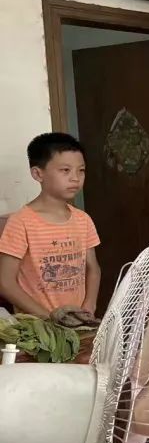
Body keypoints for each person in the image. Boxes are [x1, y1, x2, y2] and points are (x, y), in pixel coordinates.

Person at [0, 133, 101, 322]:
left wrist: (89, 306)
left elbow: (93, 269)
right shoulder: (21, 222)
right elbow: (6, 282)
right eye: (65, 170)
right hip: (38, 327)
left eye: (81, 170)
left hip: (77, 323)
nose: (75, 178)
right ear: (38, 174)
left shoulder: (83, 220)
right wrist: (51, 318)